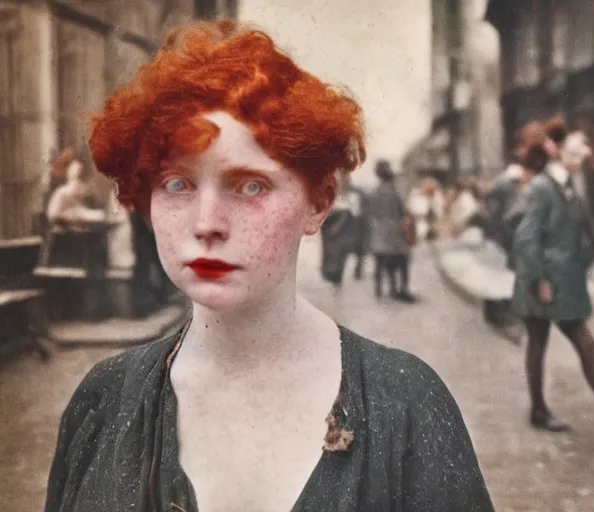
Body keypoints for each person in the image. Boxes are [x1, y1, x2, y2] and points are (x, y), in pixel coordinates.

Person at [45, 20, 492, 511]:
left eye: (250, 185)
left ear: (318, 203)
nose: (207, 223)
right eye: (177, 184)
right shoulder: (103, 404)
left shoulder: (407, 406)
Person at [511, 127, 594, 448]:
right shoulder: (542, 187)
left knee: (543, 343)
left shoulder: (568, 184)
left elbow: (581, 233)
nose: (585, 150)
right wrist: (540, 280)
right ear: (555, 148)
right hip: (544, 280)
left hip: (564, 279)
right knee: (578, 343)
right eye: (579, 145)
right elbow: (526, 239)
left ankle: (545, 409)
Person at [365, 160, 416, 303]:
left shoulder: (373, 194)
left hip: (379, 235)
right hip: (394, 234)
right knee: (402, 259)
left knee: (382, 262)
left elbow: (370, 214)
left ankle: (381, 289)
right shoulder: (395, 193)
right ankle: (401, 289)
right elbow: (403, 213)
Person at [320, 171, 367, 290]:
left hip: (346, 227)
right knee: (329, 252)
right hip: (329, 225)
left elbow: (357, 213)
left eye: (344, 179)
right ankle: (330, 275)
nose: (342, 182)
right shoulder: (330, 192)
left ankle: (337, 278)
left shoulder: (354, 194)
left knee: (341, 253)